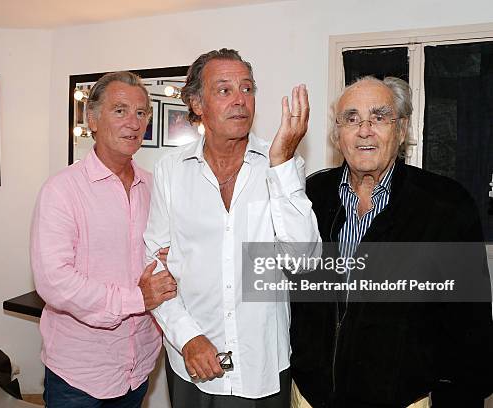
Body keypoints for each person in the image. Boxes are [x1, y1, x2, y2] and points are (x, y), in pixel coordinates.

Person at [290, 76, 493, 407]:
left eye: (379, 117)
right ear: (337, 134)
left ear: (401, 131)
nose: (364, 130)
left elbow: (471, 328)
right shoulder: (309, 197)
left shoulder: (447, 206)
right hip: (310, 398)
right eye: (351, 118)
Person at [144, 48, 321, 408]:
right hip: (192, 362)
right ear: (196, 103)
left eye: (248, 88)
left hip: (263, 365)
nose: (240, 100)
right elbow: (155, 268)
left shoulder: (281, 165)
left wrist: (282, 162)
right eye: (224, 90)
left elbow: (304, 262)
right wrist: (188, 337)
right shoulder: (170, 170)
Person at [31, 71, 177, 408]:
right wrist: (134, 299)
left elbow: (164, 258)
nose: (133, 122)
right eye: (120, 110)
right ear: (92, 119)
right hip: (79, 374)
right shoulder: (62, 190)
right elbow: (54, 281)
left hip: (139, 366)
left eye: (141, 113)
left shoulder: (156, 188)